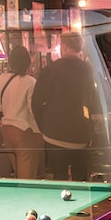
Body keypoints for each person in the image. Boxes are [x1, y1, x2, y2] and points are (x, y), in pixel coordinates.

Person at [31, 32, 97, 181]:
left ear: (65, 47)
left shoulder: (50, 69)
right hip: (80, 135)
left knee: (58, 177)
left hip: (54, 135)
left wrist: (44, 127)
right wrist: (89, 129)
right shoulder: (88, 70)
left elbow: (36, 101)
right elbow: (92, 102)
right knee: (80, 178)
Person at [0, 45, 44, 179]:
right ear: (28, 62)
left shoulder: (1, 79)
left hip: (6, 130)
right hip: (25, 131)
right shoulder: (30, 82)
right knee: (27, 176)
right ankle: (27, 199)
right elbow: (33, 109)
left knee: (17, 172)